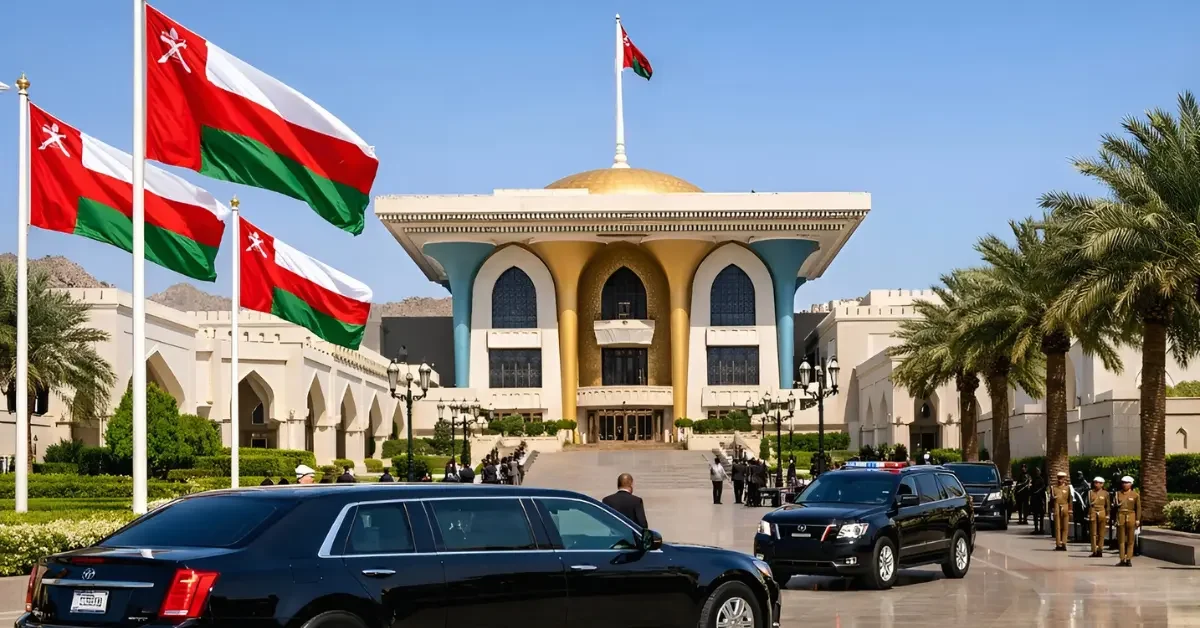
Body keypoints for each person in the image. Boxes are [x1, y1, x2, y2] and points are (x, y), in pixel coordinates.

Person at [1114, 475, 1140, 567]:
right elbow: (1115, 507)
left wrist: (1137, 519)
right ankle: (1122, 559)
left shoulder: (1135, 495)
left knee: (1130, 540)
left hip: (1131, 516)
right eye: (1123, 483)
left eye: (1127, 483)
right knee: (1121, 540)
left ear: (1131, 484)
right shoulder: (1117, 494)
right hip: (1121, 516)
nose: (1125, 485)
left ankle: (1128, 559)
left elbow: (1138, 508)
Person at [1087, 476, 1109, 558]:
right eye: (1095, 482)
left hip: (1102, 512)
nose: (1096, 484)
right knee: (1093, 533)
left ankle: (1100, 549)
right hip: (1093, 512)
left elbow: (1108, 505)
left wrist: (1108, 515)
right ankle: (1094, 550)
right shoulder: (1090, 492)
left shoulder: (1106, 493)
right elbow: (1088, 504)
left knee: (1101, 533)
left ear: (1102, 484)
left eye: (1099, 483)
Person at [1050, 471, 1071, 550]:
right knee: (1057, 527)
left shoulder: (1068, 488)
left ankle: (1064, 543)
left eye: (1062, 478)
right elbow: (1051, 500)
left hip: (1065, 506)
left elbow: (1070, 499)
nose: (1060, 480)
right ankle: (1058, 544)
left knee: (1065, 526)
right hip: (1057, 506)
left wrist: (1070, 509)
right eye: (1059, 478)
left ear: (1064, 479)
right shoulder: (1053, 488)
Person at [1030, 467, 1046, 534]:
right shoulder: (1033, 480)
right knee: (1035, 515)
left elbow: (1043, 490)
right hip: (1034, 500)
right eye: (1036, 471)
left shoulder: (1041, 480)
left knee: (1041, 516)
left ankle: (1041, 529)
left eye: (1038, 471)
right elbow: (1031, 490)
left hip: (1040, 500)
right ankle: (1036, 529)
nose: (1037, 472)